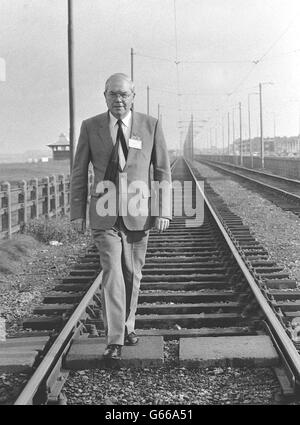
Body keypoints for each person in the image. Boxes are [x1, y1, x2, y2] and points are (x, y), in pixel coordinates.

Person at [70, 73, 172, 360]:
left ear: (132, 97)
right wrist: (77, 212)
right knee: (112, 270)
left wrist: (163, 210)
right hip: (104, 215)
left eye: (124, 94)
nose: (118, 99)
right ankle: (114, 339)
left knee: (132, 274)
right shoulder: (90, 127)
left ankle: (128, 326)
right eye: (113, 94)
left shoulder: (150, 126)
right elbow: (79, 171)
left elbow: (162, 170)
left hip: (139, 212)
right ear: (104, 96)